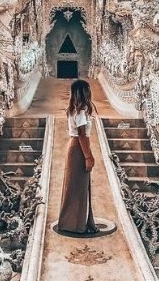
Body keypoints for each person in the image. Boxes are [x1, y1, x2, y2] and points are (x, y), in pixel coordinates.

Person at [58, 79, 99, 234]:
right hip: (78, 149)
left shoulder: (73, 110)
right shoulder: (81, 112)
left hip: (73, 147)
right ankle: (76, 224)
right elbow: (82, 135)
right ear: (84, 92)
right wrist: (88, 156)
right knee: (79, 187)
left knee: (74, 186)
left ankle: (75, 222)